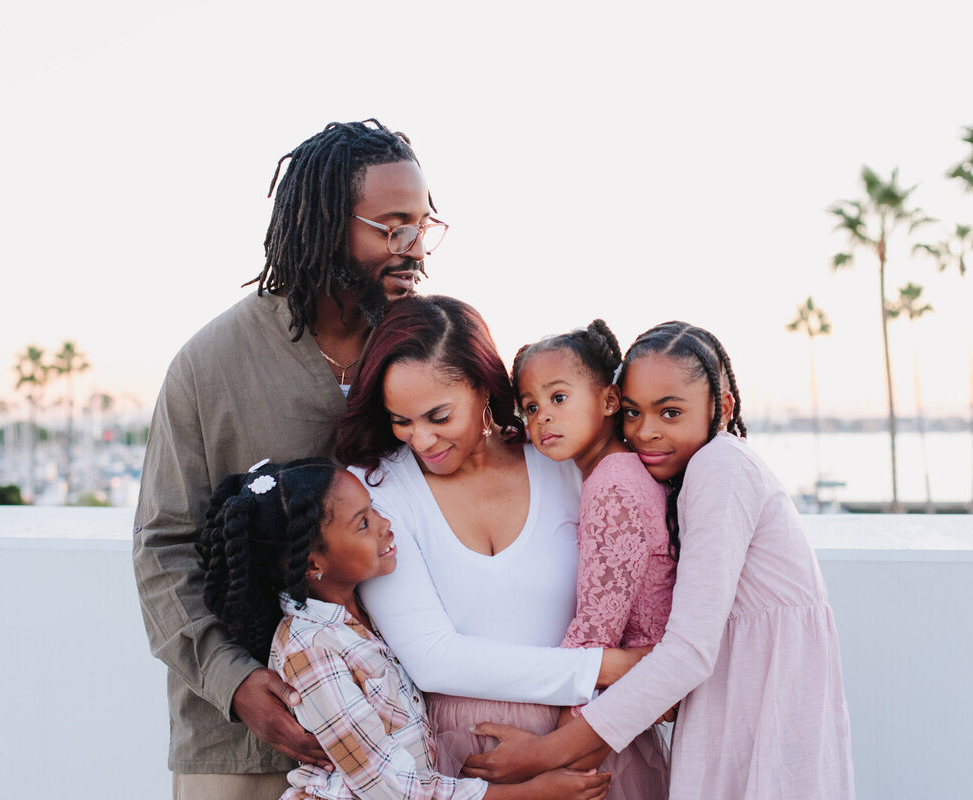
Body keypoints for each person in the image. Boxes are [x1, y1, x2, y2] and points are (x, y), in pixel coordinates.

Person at [132, 119, 449, 800]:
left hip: (406, 745)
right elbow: (163, 548)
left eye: (423, 225)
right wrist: (234, 681)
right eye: (392, 227)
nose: (414, 248)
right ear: (328, 224)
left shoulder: (428, 351)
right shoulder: (209, 365)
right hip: (244, 746)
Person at [464, 322, 856, 800]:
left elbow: (687, 650)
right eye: (634, 413)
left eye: (670, 412)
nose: (646, 432)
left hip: (760, 709)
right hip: (745, 701)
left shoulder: (720, 467)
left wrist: (550, 753)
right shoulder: (686, 475)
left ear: (723, 406)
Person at [334, 295, 647, 779]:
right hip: (471, 756)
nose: (421, 440)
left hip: (593, 736)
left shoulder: (561, 460)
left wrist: (572, 737)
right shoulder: (379, 490)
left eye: (439, 417)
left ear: (483, 387)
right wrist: (604, 668)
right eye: (401, 421)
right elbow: (432, 658)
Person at [197, 457, 612, 800]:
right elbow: (389, 788)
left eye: (374, 509)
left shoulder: (365, 614)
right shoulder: (309, 649)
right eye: (362, 524)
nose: (383, 524)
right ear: (312, 565)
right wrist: (533, 793)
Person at [510, 320, 673, 799]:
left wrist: (554, 754)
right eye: (531, 406)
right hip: (625, 703)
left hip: (608, 721)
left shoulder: (613, 485)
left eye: (559, 399)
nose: (542, 418)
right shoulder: (614, 473)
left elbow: (594, 635)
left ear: (608, 401)